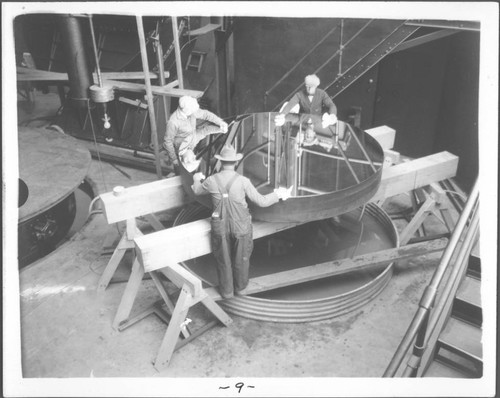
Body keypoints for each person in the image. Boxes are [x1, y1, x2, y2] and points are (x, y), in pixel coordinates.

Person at [191, 144, 292, 299]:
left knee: (223, 259)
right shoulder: (243, 181)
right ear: (235, 162)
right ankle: (241, 289)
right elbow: (262, 201)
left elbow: (197, 191)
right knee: (242, 258)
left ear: (221, 162)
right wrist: (278, 194)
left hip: (219, 225)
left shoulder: (211, 180)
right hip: (241, 225)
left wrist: (196, 178)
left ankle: (226, 292)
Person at [163, 95, 228, 172]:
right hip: (185, 140)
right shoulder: (173, 122)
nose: (194, 156)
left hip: (186, 140)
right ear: (186, 111)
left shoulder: (190, 112)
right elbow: (204, 132)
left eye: (193, 158)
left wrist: (220, 123)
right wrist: (173, 159)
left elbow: (205, 115)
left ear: (186, 159)